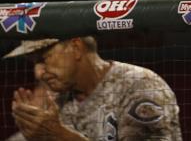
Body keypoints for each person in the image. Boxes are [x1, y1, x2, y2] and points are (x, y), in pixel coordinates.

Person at [6, 37, 182, 140]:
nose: (38, 73)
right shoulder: (58, 101)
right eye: (33, 63)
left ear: (76, 48)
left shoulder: (139, 85)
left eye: (43, 59)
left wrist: (61, 136)